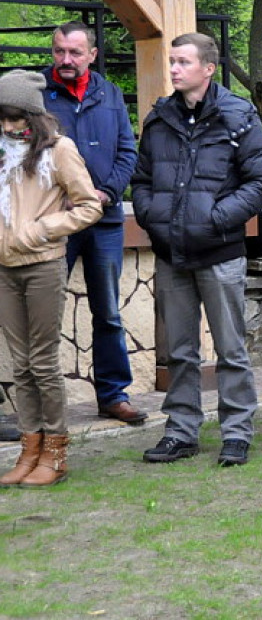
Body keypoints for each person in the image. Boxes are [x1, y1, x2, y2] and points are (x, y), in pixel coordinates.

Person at [133, 33, 262, 468]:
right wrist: (152, 215)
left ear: (208, 68)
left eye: (182, 62)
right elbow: (140, 180)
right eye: (171, 62)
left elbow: (261, 184)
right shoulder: (159, 118)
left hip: (220, 254)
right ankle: (180, 432)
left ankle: (236, 434)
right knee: (179, 352)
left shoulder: (238, 115)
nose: (173, 69)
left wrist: (214, 219)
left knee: (231, 350)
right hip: (171, 253)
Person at [0, 70, 102, 487]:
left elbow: (88, 206)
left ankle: (56, 452)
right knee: (20, 366)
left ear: (32, 114)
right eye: (1, 118)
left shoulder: (59, 150)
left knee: (42, 363)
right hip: (5, 267)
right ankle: (29, 450)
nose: (7, 126)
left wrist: (39, 230)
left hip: (42, 262)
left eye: (13, 117)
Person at [42, 21, 146, 425]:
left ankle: (113, 395)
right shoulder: (38, 93)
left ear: (91, 55)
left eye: (73, 53)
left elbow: (127, 150)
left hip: (104, 221)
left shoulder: (110, 93)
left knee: (108, 313)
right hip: (54, 221)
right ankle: (44, 407)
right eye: (59, 52)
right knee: (45, 314)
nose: (65, 61)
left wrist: (103, 194)